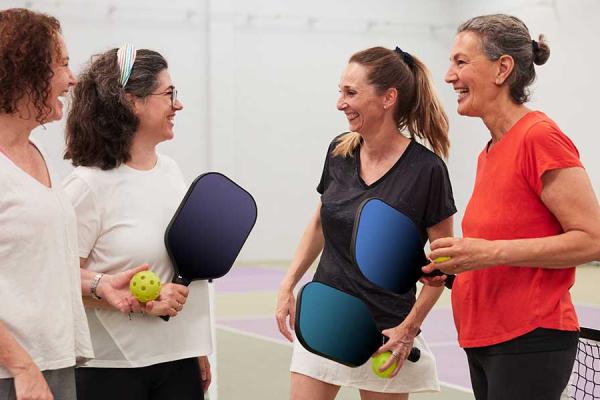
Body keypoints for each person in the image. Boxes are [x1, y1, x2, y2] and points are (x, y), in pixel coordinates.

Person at [423, 14, 600, 400]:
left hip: (530, 339)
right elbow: (506, 248)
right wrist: (457, 269)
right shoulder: (489, 153)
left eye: (461, 62)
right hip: (483, 337)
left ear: (503, 68)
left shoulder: (539, 137)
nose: (449, 76)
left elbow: (593, 240)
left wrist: (487, 252)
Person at [276, 46, 456, 400]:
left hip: (386, 334)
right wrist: (288, 284)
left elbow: (445, 264)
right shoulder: (338, 152)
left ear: (388, 98)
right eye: (340, 91)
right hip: (324, 318)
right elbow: (319, 224)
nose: (340, 103)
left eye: (351, 93)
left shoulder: (427, 171)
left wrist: (409, 328)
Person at [62, 45, 213, 400]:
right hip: (111, 369)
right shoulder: (86, 186)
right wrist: (131, 297)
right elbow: (57, 280)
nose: (178, 105)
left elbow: (178, 265)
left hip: (178, 361)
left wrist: (195, 349)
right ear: (132, 101)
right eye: (169, 94)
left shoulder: (172, 172)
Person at [0, 8, 94, 400]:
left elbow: (40, 265)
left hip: (53, 362)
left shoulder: (38, 155)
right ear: (26, 72)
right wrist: (21, 367)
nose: (72, 80)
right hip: (14, 374)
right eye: (64, 64)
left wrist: (103, 286)